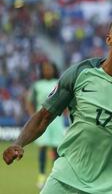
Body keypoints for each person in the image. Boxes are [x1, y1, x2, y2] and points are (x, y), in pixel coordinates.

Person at [3, 11, 112, 194]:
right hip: (64, 179)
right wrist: (19, 143)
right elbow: (43, 117)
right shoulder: (81, 73)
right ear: (109, 39)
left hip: (110, 187)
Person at [26, 61, 66, 189]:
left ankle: (57, 176)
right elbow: (29, 102)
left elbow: (65, 98)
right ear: (41, 71)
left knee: (56, 148)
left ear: (54, 69)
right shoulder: (37, 85)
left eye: (50, 68)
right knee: (42, 147)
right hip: (42, 119)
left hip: (56, 120)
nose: (48, 71)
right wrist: (33, 116)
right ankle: (42, 176)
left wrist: (65, 111)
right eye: (45, 69)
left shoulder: (59, 82)